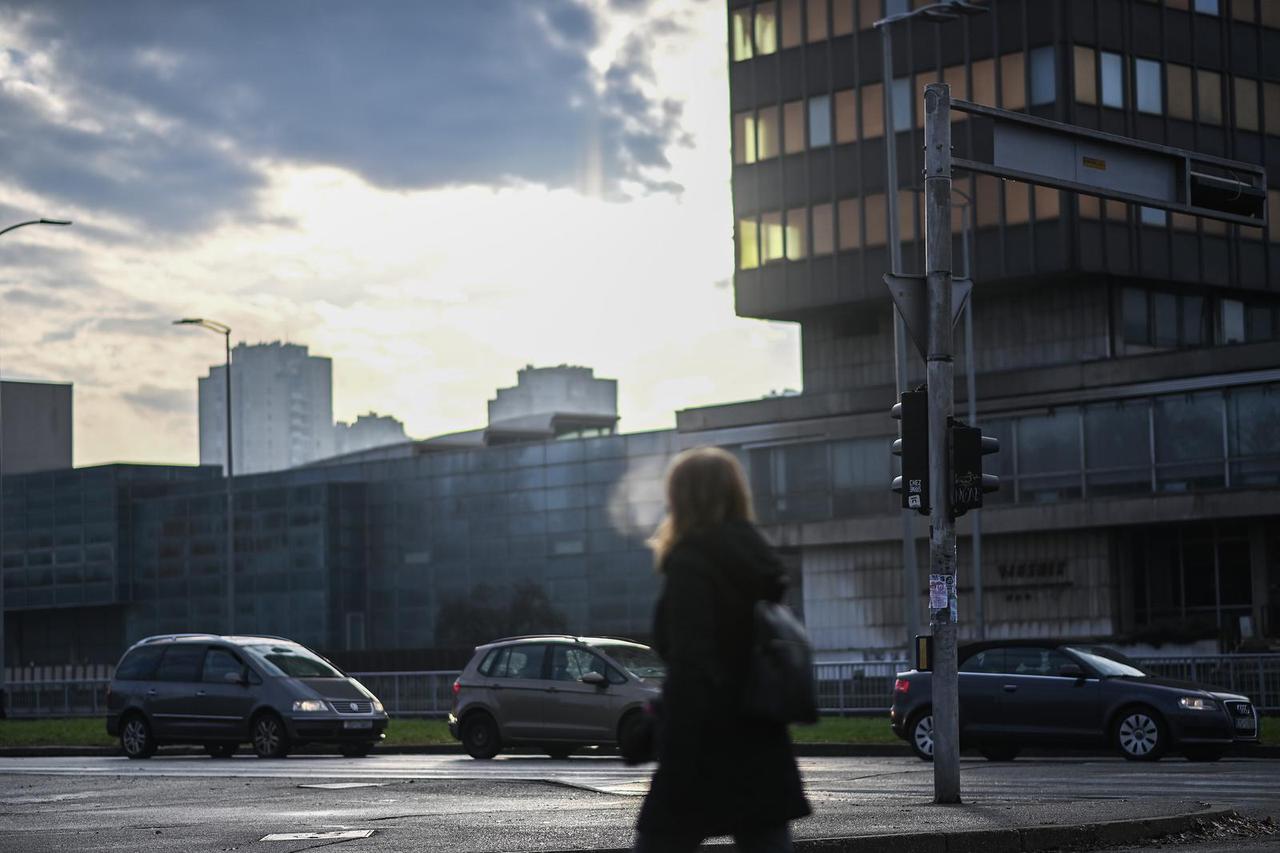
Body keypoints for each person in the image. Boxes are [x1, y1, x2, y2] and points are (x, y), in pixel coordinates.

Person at [634, 446, 810, 853]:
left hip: (701, 748)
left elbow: (693, 666)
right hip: (761, 743)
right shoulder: (758, 558)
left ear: (681, 498)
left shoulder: (692, 564)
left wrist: (655, 730)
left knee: (658, 842)